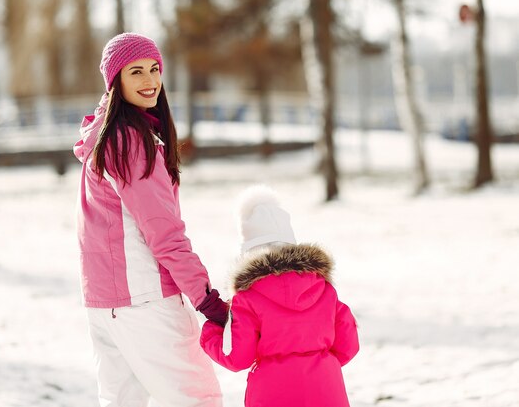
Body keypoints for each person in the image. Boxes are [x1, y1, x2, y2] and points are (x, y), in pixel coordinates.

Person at [73, 32, 227, 407]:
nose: (149, 81)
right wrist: (208, 301)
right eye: (136, 72)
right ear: (116, 82)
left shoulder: (105, 138)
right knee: (198, 399)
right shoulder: (131, 143)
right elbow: (166, 235)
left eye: (154, 69)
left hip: (105, 303)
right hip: (145, 299)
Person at [200, 185, 359, 407]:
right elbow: (348, 345)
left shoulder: (247, 298)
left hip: (272, 392)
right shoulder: (324, 288)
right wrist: (319, 364)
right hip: (325, 389)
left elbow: (237, 357)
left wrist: (212, 330)